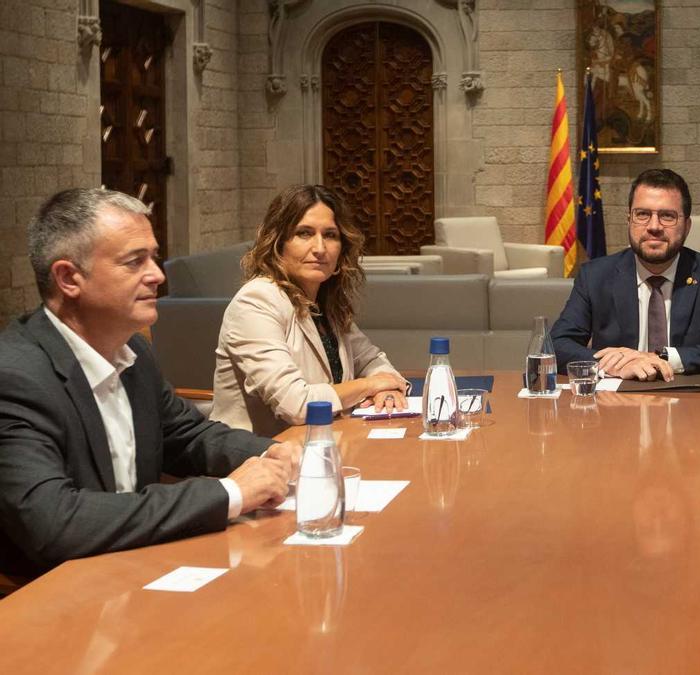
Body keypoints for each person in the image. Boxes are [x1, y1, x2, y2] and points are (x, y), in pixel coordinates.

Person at [0, 188, 299, 578]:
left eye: (153, 257)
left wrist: (276, 453)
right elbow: (55, 522)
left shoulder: (134, 352)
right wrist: (230, 493)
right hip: (57, 597)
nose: (157, 274)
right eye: (134, 261)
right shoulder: (16, 377)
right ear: (69, 277)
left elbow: (187, 436)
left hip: (141, 564)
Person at [211, 185, 408, 437]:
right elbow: (297, 405)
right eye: (304, 233)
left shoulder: (325, 302)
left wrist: (386, 390)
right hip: (261, 459)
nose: (320, 248)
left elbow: (373, 360)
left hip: (327, 443)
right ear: (278, 242)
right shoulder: (256, 301)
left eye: (330, 235)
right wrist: (369, 385)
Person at [550, 169, 700, 380]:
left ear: (687, 226)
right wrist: (613, 365)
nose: (654, 226)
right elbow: (556, 346)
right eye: (643, 214)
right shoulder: (595, 276)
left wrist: (664, 357)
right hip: (614, 401)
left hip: (689, 400)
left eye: (667, 216)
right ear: (629, 221)